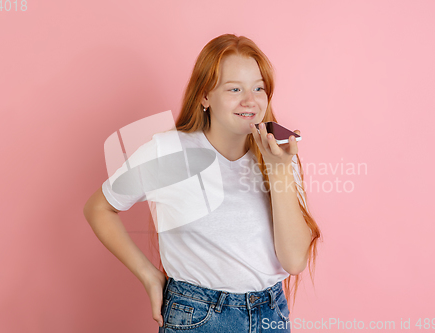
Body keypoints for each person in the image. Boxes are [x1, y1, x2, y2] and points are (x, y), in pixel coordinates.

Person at [84, 34, 320, 332]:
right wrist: (148, 274)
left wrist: (280, 171)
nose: (250, 100)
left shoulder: (278, 154)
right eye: (235, 88)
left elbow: (294, 261)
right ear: (205, 96)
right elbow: (99, 208)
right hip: (198, 316)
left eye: (258, 88)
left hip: (270, 315)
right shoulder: (169, 152)